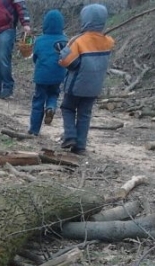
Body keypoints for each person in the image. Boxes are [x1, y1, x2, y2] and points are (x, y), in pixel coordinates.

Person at [57, 3, 115, 154]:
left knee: (67, 108)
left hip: (76, 85)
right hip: (94, 87)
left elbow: (67, 62)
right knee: (85, 114)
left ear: (85, 19)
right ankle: (80, 146)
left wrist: (63, 52)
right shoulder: (108, 41)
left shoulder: (79, 41)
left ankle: (70, 135)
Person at [28, 9, 68, 135]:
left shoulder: (39, 40)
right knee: (54, 94)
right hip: (58, 74)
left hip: (42, 76)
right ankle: (51, 107)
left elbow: (35, 58)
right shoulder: (66, 40)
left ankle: (34, 130)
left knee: (38, 100)